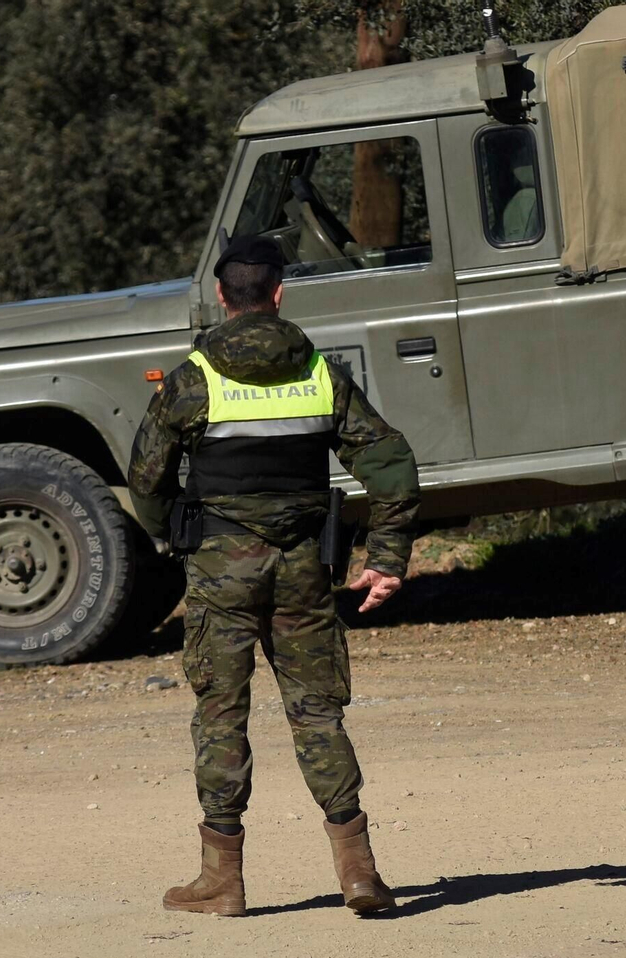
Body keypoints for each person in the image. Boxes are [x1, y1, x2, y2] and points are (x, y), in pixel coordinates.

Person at [127, 235, 421, 918]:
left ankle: (221, 882)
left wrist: (176, 534)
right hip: (302, 573)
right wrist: (388, 556)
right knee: (318, 711)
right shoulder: (322, 375)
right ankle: (361, 873)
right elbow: (391, 464)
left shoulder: (193, 379)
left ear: (224, 297)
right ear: (280, 294)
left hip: (219, 573)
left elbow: (146, 479)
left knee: (221, 713)